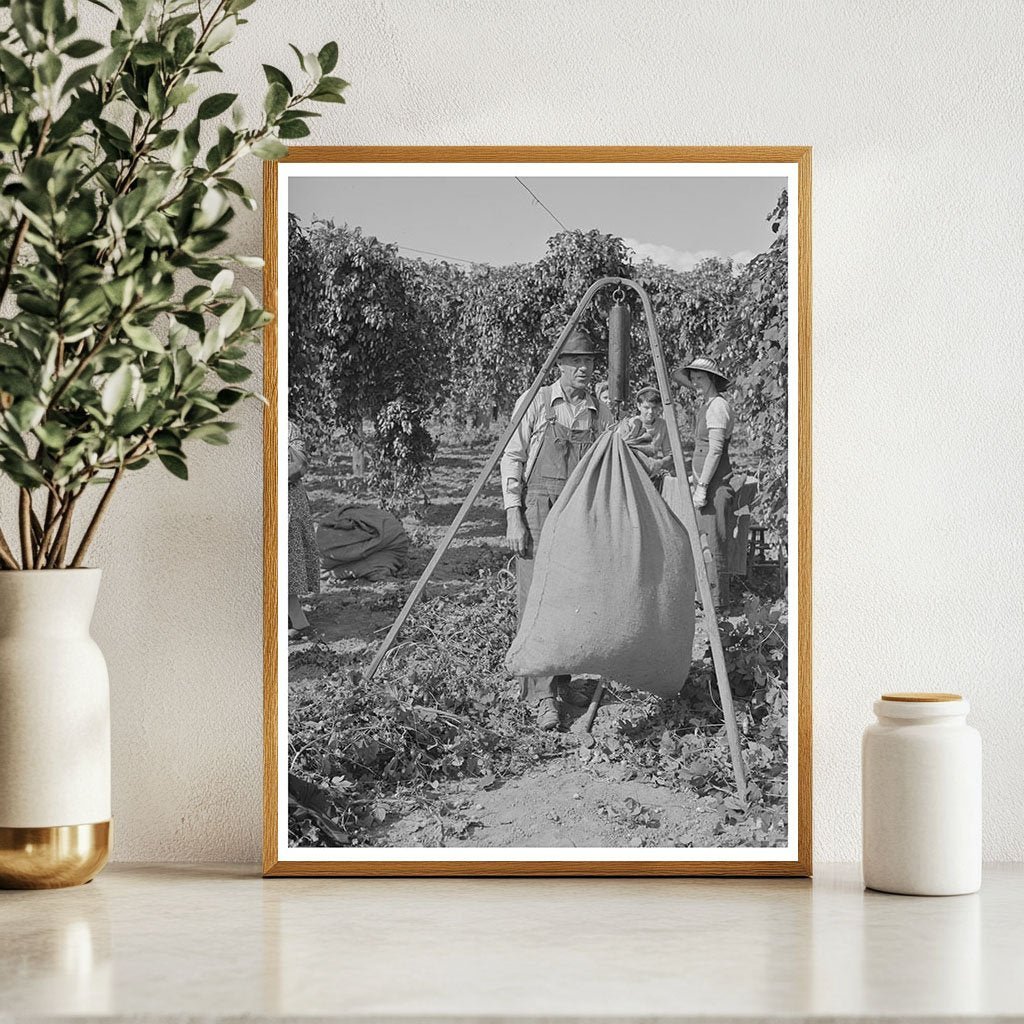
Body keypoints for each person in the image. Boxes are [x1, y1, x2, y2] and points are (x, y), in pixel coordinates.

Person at [500, 329, 613, 730]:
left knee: (570, 596)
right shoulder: (536, 402)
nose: (584, 368)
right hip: (538, 508)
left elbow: (611, 459)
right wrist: (513, 515)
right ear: (560, 365)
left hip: (578, 512)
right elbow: (512, 457)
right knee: (536, 598)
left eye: (589, 362)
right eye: (576, 361)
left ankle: (562, 683)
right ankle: (539, 694)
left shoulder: (599, 411)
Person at [672, 357, 735, 609]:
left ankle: (717, 605)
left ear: (712, 379)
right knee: (703, 542)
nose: (695, 382)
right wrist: (695, 477)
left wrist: (703, 486)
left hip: (715, 486)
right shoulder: (706, 405)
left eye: (700, 378)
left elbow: (715, 450)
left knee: (713, 542)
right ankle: (704, 600)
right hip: (705, 482)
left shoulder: (718, 406)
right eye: (693, 378)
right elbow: (701, 449)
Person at [288, 419, 320, 639]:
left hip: (286, 500)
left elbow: (298, 466)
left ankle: (299, 622)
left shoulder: (286, 427)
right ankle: (298, 622)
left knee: (283, 562)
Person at [618, 384, 674, 488]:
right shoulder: (630, 424)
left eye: (654, 408)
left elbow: (669, 453)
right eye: (646, 407)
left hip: (652, 473)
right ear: (639, 406)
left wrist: (660, 463)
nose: (651, 412)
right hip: (631, 471)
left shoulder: (662, 425)